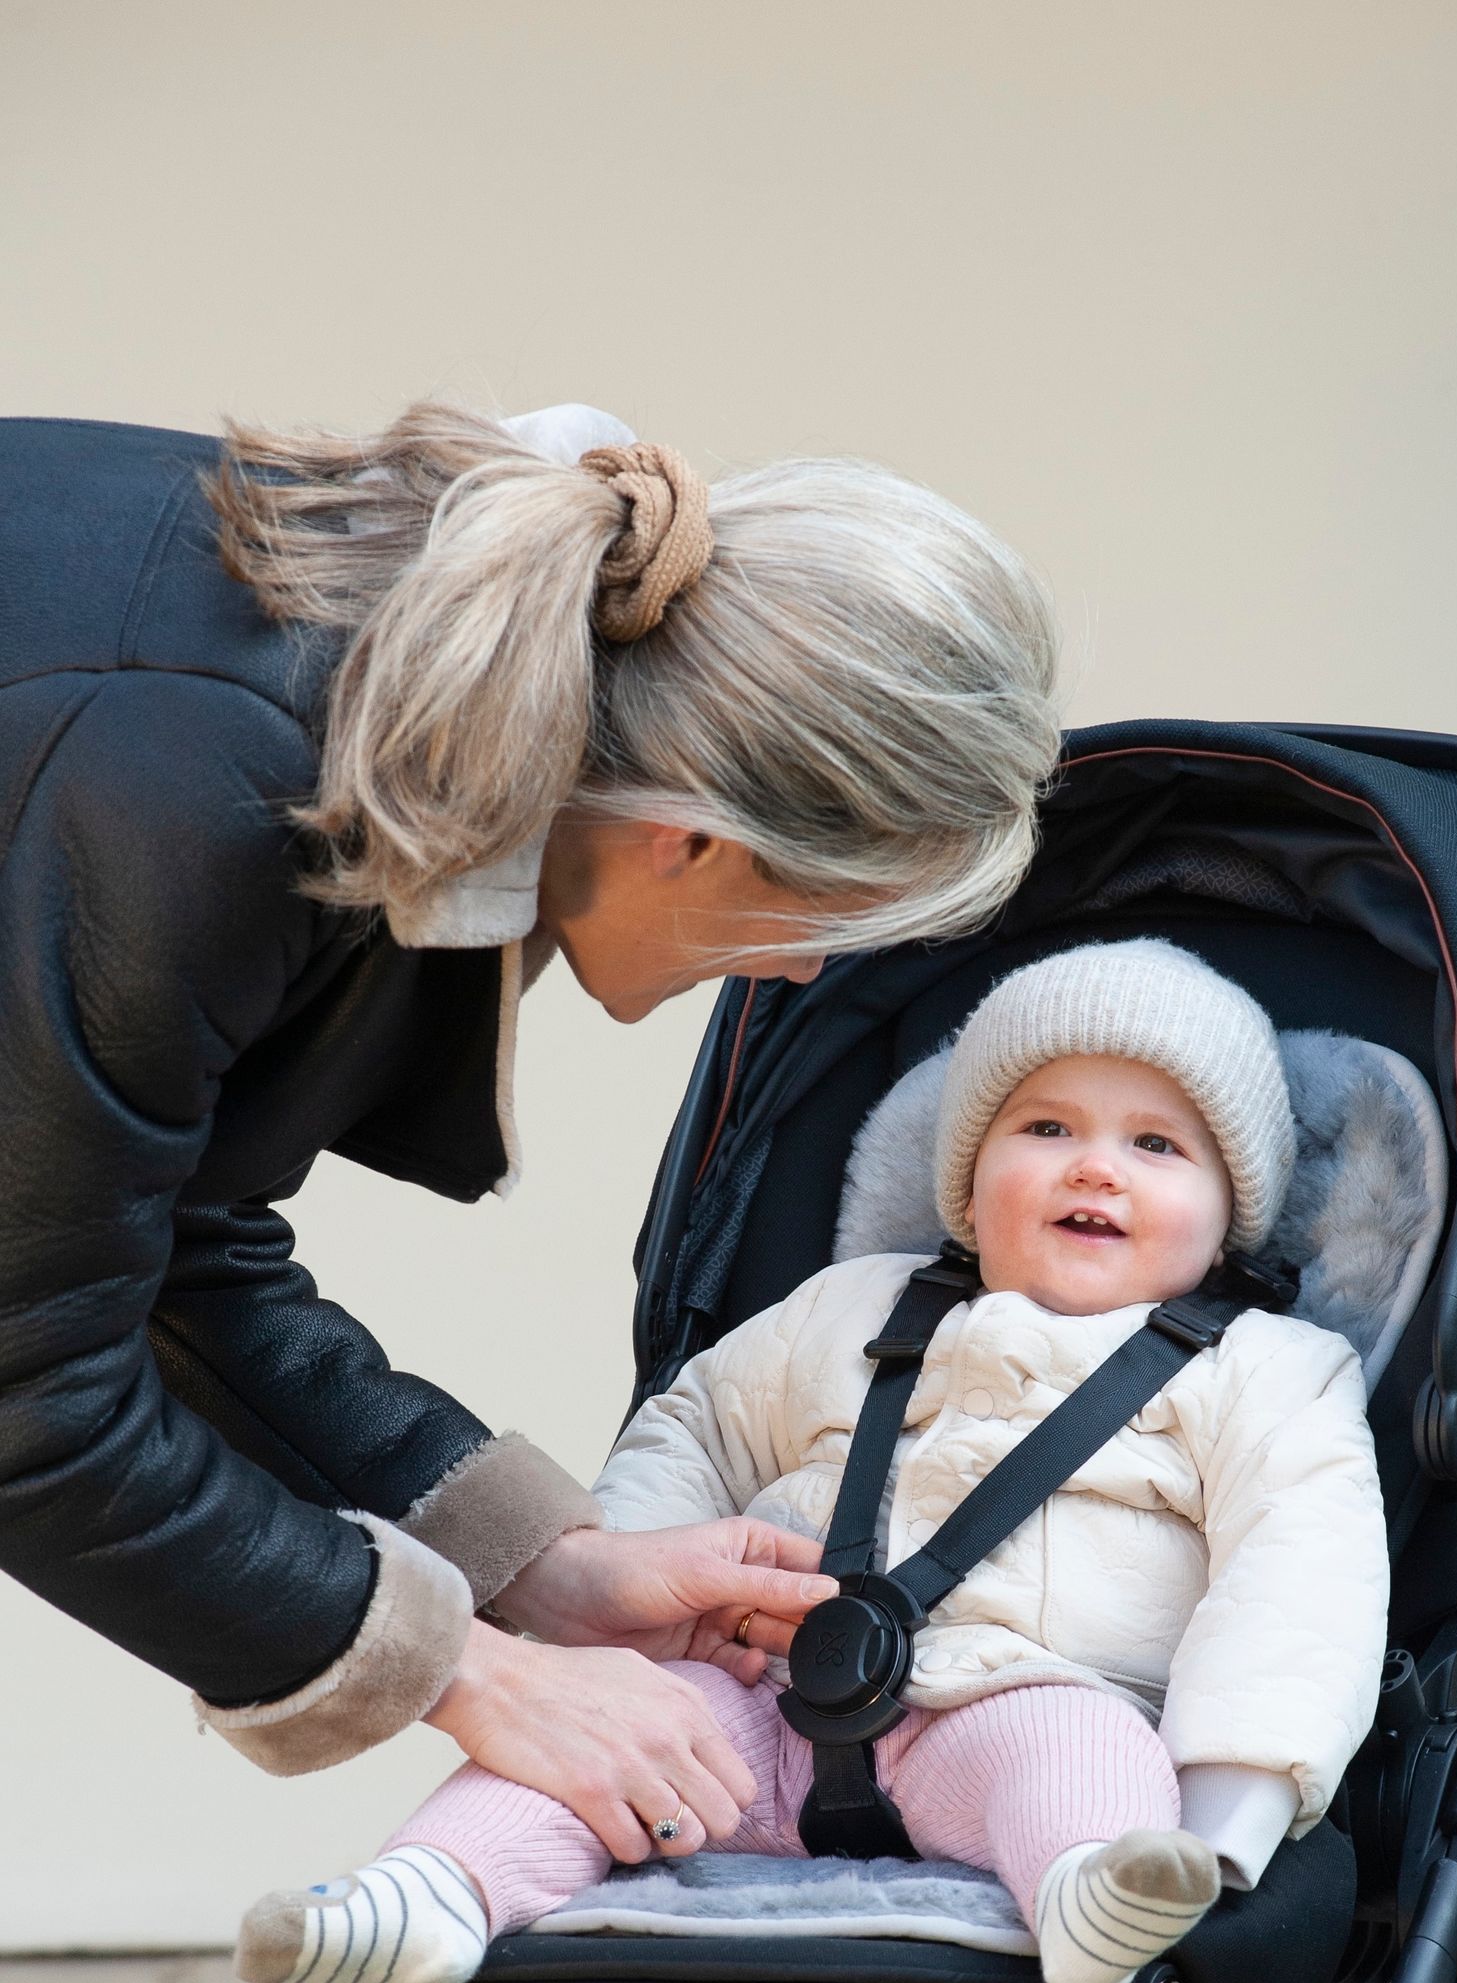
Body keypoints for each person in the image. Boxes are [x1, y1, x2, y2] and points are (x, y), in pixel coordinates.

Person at [0, 400, 1060, 1851]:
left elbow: (144, 1239)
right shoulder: (201, 773)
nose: (807, 970)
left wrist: (532, 1565)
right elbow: (24, 1388)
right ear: (689, 836)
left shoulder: (386, 706)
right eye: (827, 916)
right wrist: (473, 1678)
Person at [239, 942, 1391, 1983]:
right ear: (967, 1169)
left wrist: (1234, 1795)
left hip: (1023, 1702)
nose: (1095, 1167)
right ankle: (432, 1889)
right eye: (1044, 1129)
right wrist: (624, 1605)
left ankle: (1090, 1893)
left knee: (1083, 1758)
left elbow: (1300, 1579)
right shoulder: (847, 1310)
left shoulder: (1266, 1370)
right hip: (766, 1706)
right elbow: (694, 1430)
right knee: (607, 1735)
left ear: (1233, 1203)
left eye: (1156, 1144)